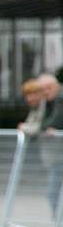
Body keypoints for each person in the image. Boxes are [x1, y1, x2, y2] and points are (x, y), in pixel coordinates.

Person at [36, 73, 63, 213]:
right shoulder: (46, 103)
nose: (46, 92)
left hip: (59, 157)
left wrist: (42, 127)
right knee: (53, 194)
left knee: (53, 194)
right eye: (42, 89)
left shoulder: (60, 99)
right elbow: (41, 123)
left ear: (57, 86)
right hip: (56, 157)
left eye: (49, 88)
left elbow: (54, 122)